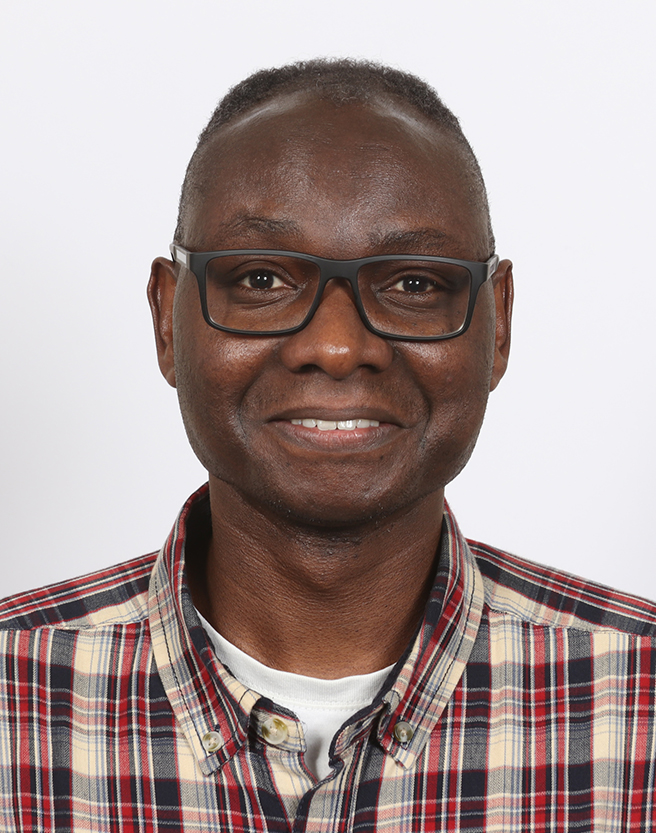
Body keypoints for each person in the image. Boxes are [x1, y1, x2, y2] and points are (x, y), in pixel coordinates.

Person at [0, 59, 654, 832]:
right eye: (263, 278)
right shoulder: (15, 700)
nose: (339, 347)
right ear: (167, 321)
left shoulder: (637, 702)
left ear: (498, 324)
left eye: (413, 283)